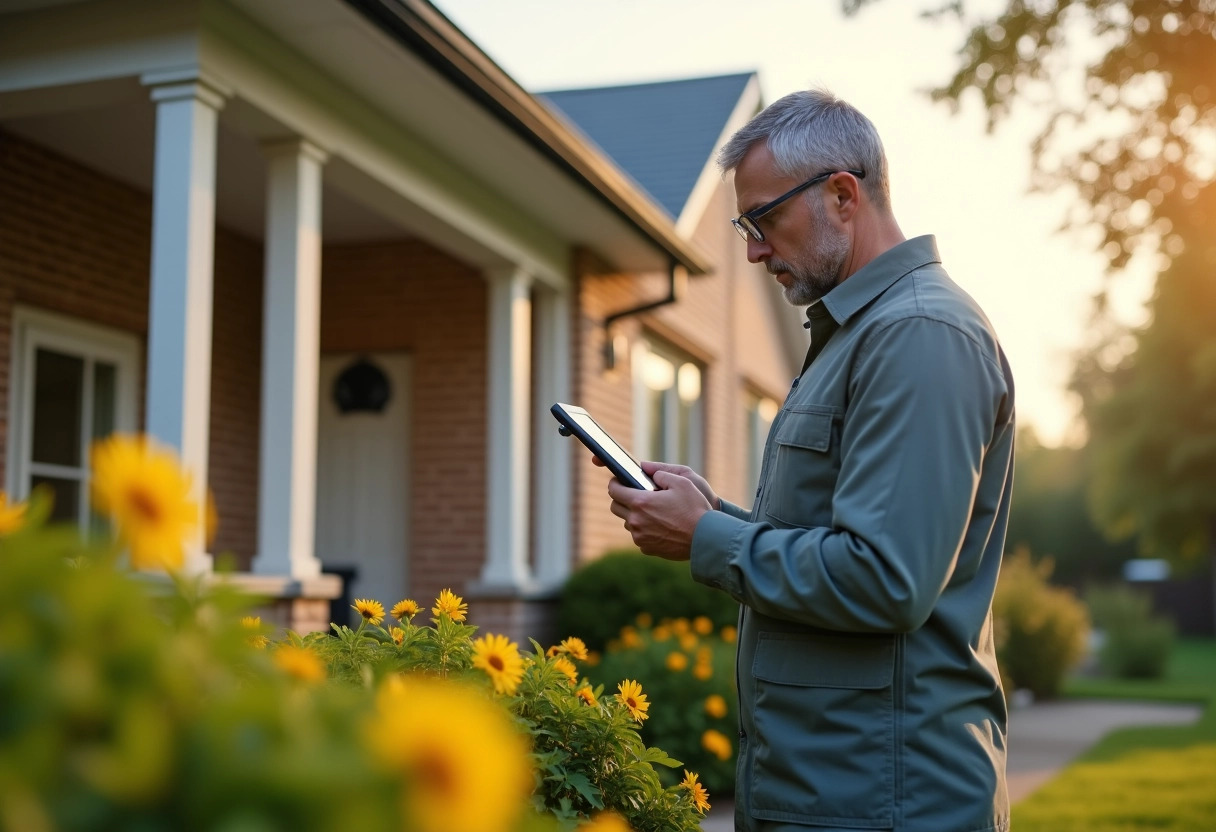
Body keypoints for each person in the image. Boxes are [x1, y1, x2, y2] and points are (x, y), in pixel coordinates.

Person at [601, 88, 1015, 832]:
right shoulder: (853, 338)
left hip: (887, 804)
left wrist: (706, 539)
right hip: (835, 794)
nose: (754, 251)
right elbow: (835, 539)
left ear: (842, 194)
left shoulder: (919, 336)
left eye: (764, 221)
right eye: (745, 225)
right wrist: (712, 514)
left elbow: (886, 578)